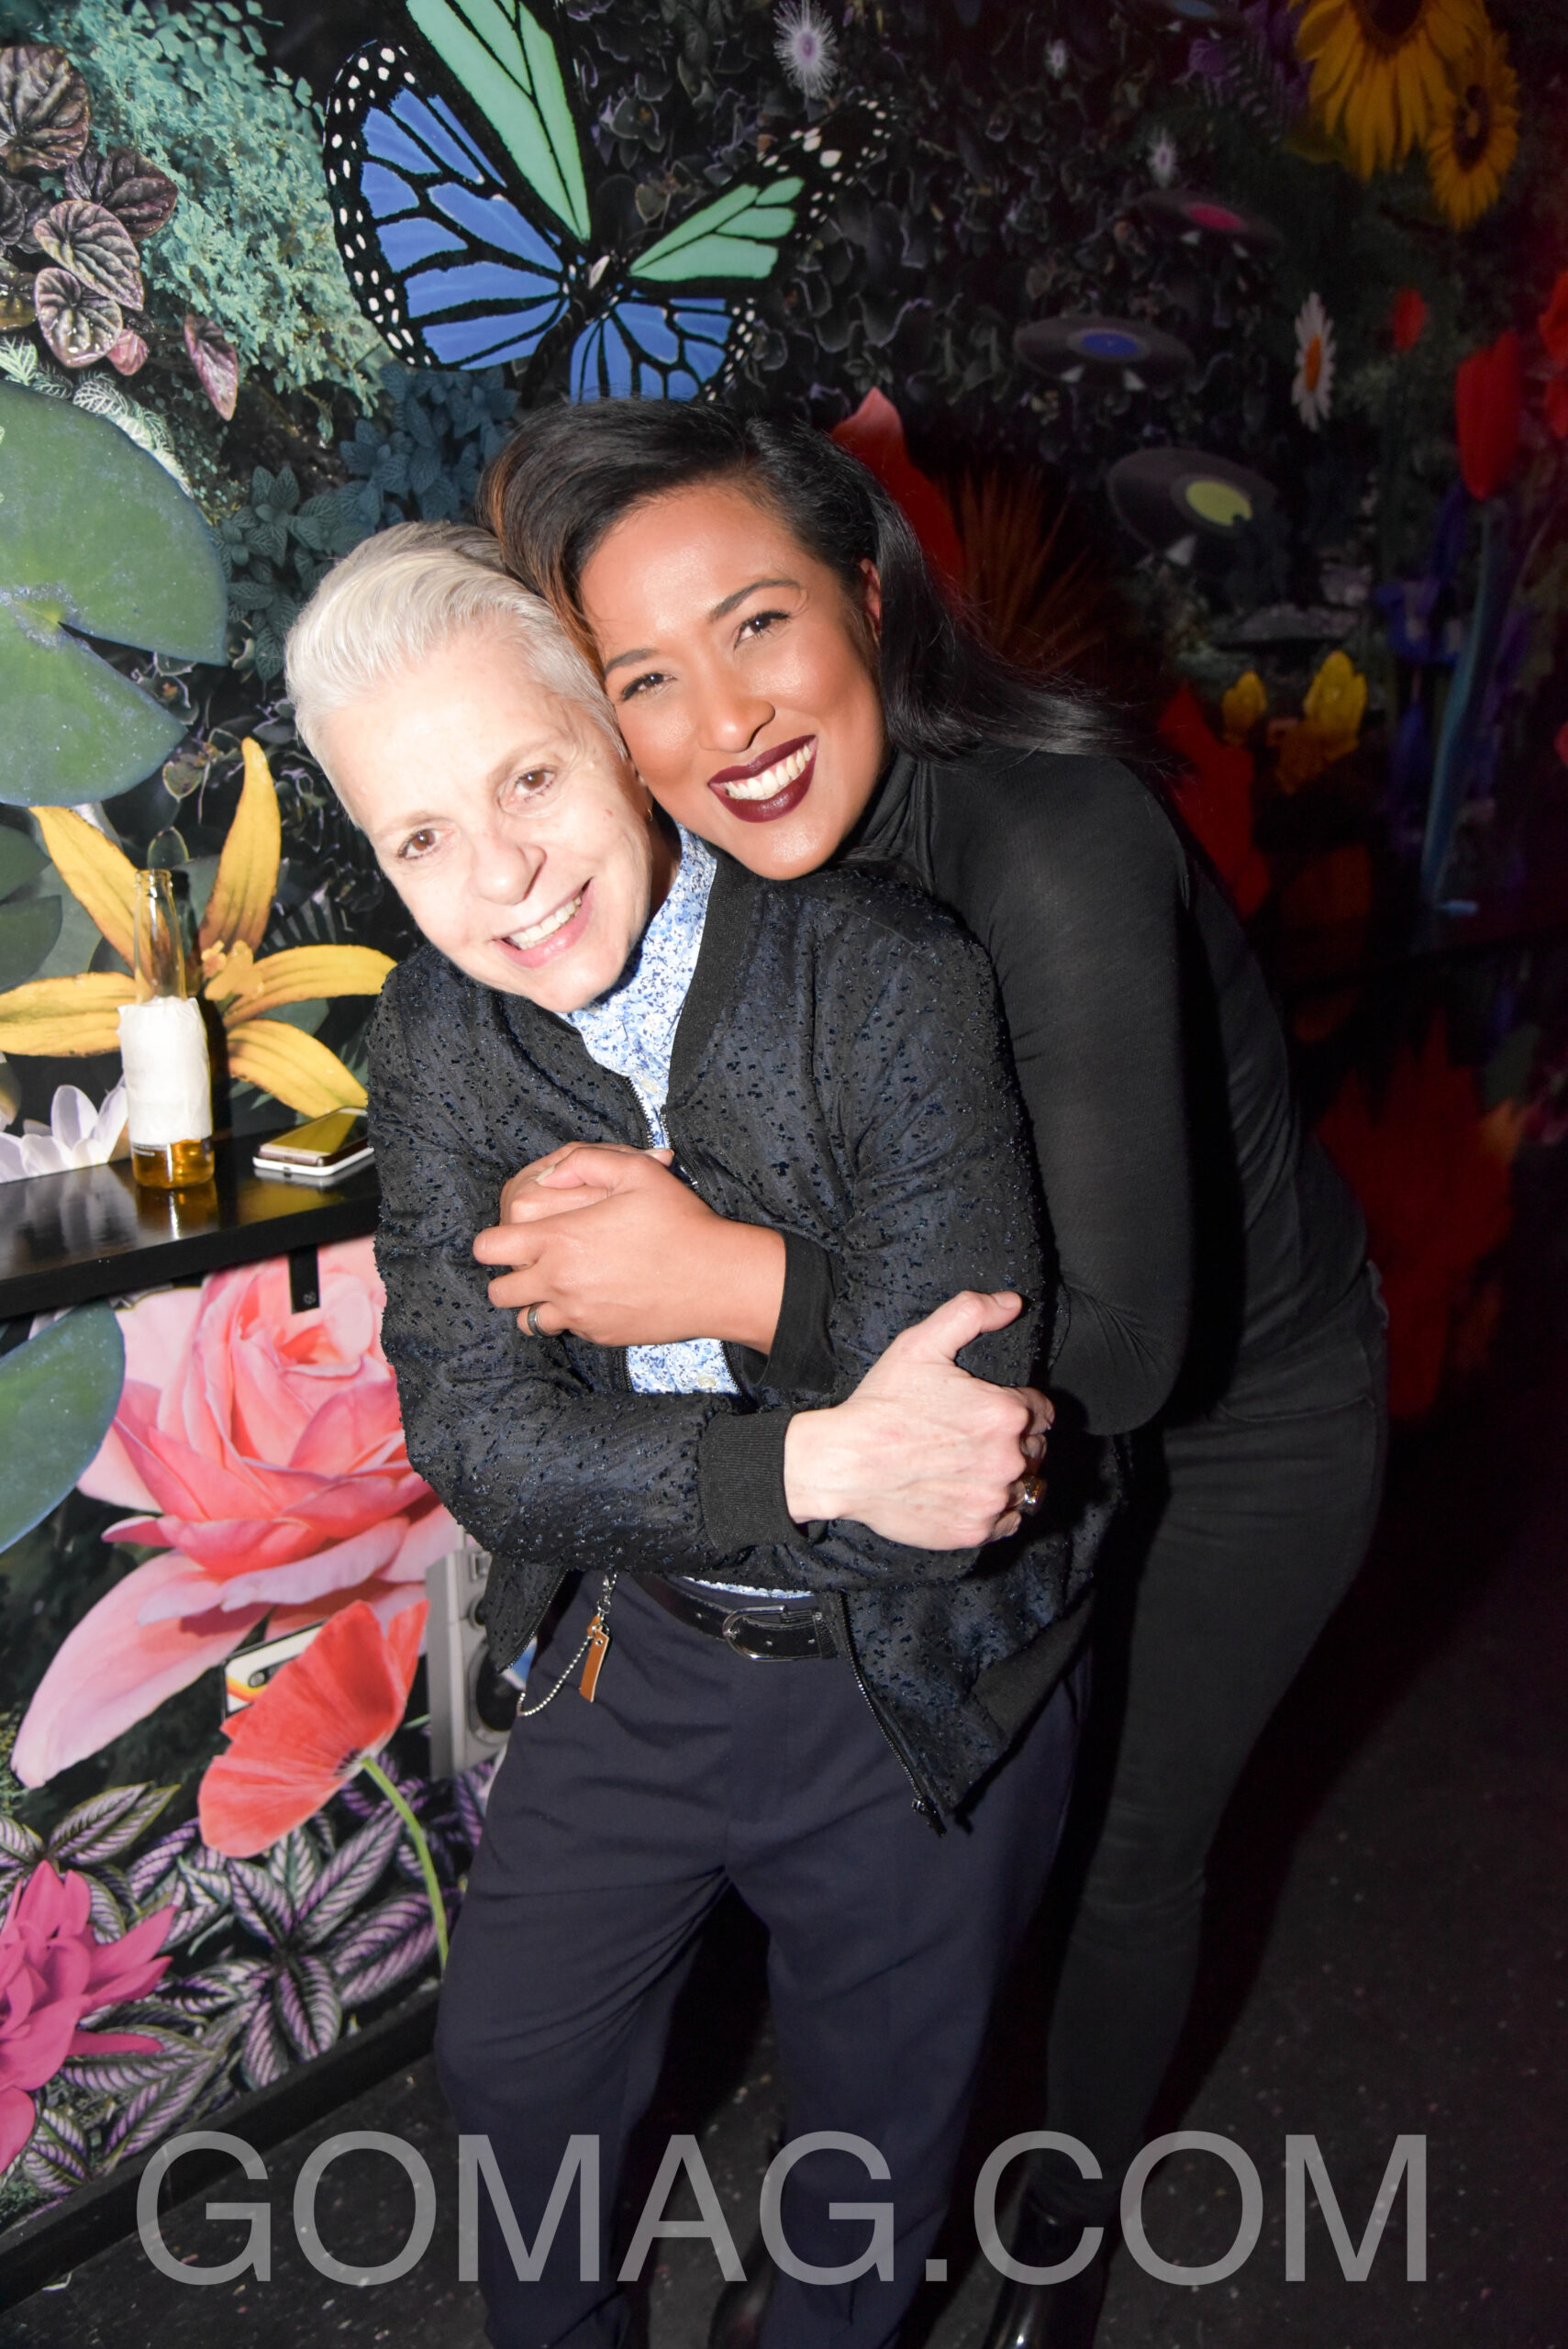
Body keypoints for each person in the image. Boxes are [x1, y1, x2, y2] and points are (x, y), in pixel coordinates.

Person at [478, 404, 1391, 2349]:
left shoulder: (1052, 839)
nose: (726, 720)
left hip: (1238, 1420)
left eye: (756, 623)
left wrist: (726, 1279)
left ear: (869, 600)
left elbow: (1122, 1353)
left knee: (1128, 1849)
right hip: (980, 1405)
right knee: (980, 1837)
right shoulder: (725, 879)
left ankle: (1052, 2248)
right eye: (646, 676)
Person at [283, 521, 1120, 2349]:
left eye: (526, 778)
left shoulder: (879, 967)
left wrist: (724, 1297)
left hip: (912, 1677)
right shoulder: (438, 1033)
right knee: (514, 2061)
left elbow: (951, 1465)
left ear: (611, 730)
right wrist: (805, 1459)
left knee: (867, 2165)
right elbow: (481, 1443)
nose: (500, 876)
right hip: (646, 1648)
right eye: (419, 837)